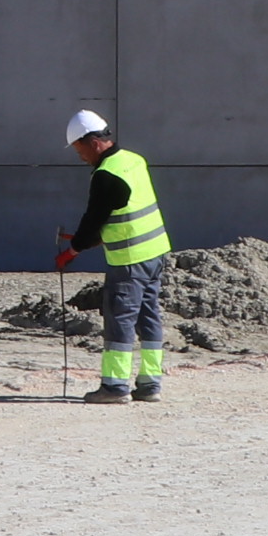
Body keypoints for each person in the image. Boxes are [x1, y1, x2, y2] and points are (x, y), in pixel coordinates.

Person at [54, 108, 172, 405]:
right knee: (149, 318)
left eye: (79, 149)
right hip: (154, 253)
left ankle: (115, 387)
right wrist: (87, 239)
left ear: (92, 142)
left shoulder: (106, 174)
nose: (80, 156)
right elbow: (122, 210)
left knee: (120, 319)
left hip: (129, 260)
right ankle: (149, 384)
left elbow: (95, 218)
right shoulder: (134, 160)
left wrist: (72, 250)